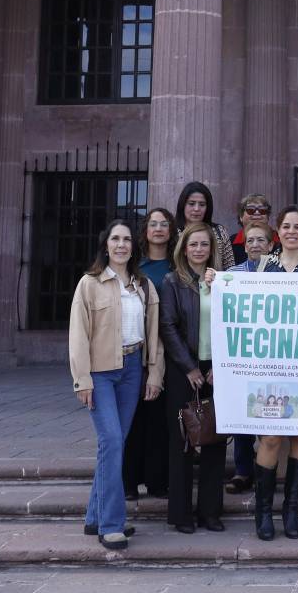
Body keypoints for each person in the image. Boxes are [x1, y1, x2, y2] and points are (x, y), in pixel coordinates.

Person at [69, 219, 164, 551]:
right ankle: (111, 524)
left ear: (133, 246)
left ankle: (94, 517)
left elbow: (154, 335)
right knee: (111, 440)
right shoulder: (90, 283)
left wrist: (154, 373)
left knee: (114, 444)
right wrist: (82, 379)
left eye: (126, 240)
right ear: (106, 245)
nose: (121, 245)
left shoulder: (143, 285)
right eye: (115, 239)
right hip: (101, 372)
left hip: (132, 369)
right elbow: (78, 335)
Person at [235, 205, 298, 540]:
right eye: (286, 226)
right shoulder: (261, 268)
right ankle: (263, 511)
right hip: (269, 368)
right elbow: (237, 300)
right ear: (278, 231)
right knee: (270, 437)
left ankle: (291, 508)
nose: (291, 232)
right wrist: (216, 280)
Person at [158, 225, 226, 534]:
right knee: (182, 440)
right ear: (184, 249)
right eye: (193, 244)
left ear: (212, 249)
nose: (199, 250)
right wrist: (189, 367)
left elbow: (233, 324)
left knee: (215, 438)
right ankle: (181, 513)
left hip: (216, 367)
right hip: (183, 368)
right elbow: (168, 326)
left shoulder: (222, 281)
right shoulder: (172, 281)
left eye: (204, 245)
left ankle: (210, 512)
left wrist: (221, 365)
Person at [124, 207, 179, 501]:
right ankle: (129, 481)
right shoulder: (135, 266)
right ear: (145, 230)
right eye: (153, 224)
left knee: (161, 420)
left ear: (171, 230)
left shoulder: (177, 265)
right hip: (140, 348)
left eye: (164, 224)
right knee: (134, 418)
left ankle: (158, 480)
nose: (158, 229)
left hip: (172, 350)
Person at [222, 222, 272, 493]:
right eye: (250, 240)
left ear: (270, 245)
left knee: (271, 415)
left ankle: (267, 471)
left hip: (274, 356)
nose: (255, 245)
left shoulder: (283, 275)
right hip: (243, 354)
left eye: (260, 240)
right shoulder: (231, 276)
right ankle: (242, 471)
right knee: (242, 413)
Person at [176, 180, 237, 272]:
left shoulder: (219, 232)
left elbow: (230, 269)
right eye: (191, 204)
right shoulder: (173, 232)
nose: (196, 209)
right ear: (182, 205)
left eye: (202, 204)